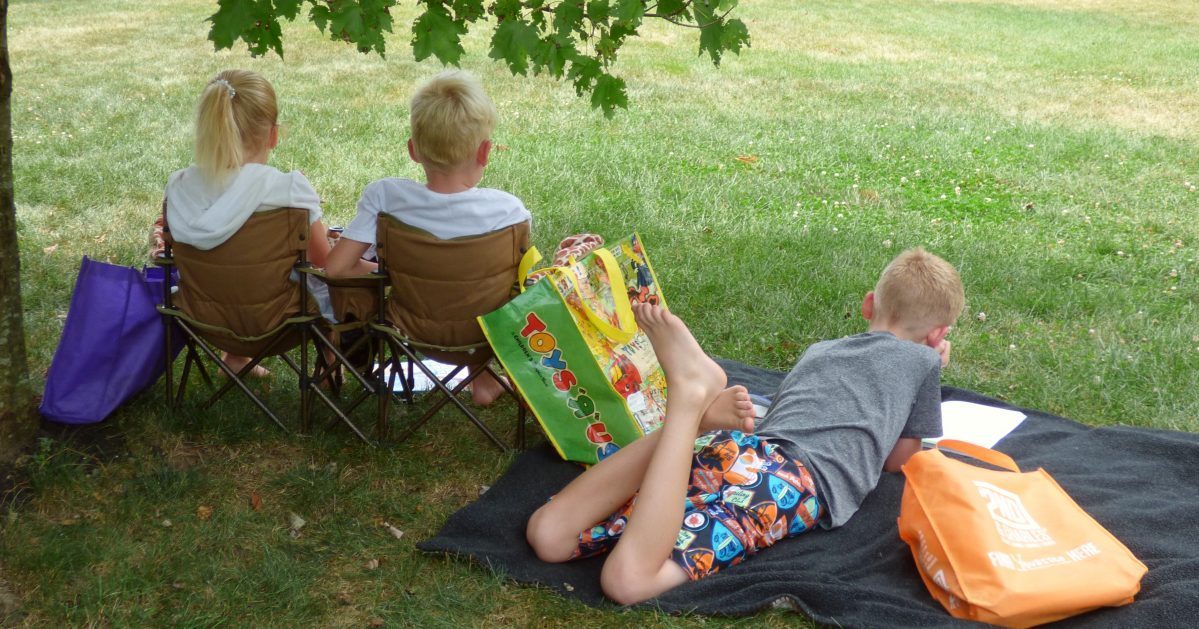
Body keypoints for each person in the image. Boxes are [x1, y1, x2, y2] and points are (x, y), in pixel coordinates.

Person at [525, 247, 965, 605]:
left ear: (870, 304)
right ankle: (688, 401)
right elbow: (899, 461)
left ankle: (694, 418)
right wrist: (931, 363)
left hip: (739, 446)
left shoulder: (822, 349)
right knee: (628, 582)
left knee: (548, 536)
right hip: (787, 483)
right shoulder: (924, 360)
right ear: (937, 334)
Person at [325, 70, 531, 406]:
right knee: (476, 289)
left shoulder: (385, 199)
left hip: (410, 330)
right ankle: (483, 380)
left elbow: (335, 270)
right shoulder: (509, 213)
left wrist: (393, 277)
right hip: (484, 334)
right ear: (485, 152)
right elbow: (518, 286)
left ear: (413, 150)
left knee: (448, 288)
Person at [162, 69, 333, 377]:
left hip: (203, 317)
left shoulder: (179, 187)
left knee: (233, 271)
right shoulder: (287, 189)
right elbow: (325, 263)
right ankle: (332, 365)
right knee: (336, 282)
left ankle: (235, 358)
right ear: (273, 134)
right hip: (281, 321)